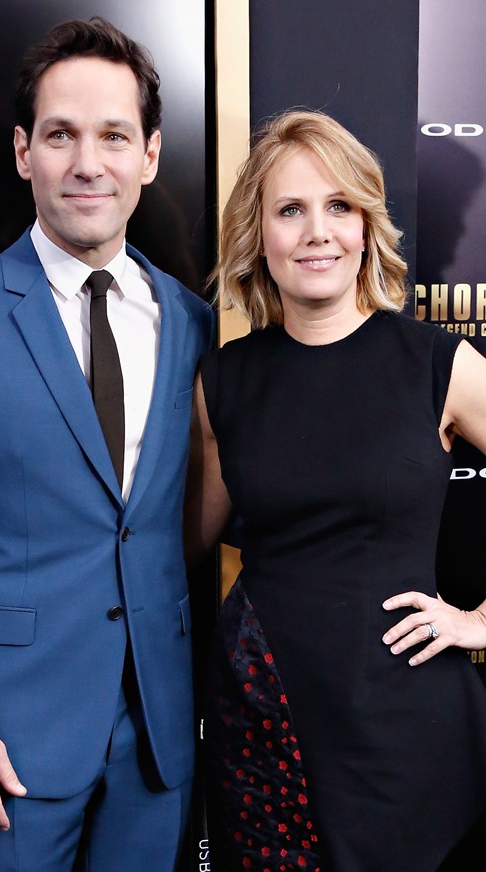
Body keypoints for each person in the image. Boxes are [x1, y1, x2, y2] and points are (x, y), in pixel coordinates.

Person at [0, 17, 214, 872]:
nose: (87, 163)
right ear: (23, 152)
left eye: (114, 136)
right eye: (61, 135)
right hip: (3, 744)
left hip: (158, 741)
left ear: (149, 155)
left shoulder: (191, 322)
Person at [185, 108, 486, 871]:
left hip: (407, 738)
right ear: (258, 233)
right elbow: (180, 543)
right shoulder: (223, 381)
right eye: (290, 209)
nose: (317, 232)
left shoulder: (436, 364)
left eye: (338, 206)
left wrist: (481, 622)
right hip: (264, 725)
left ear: (364, 225)